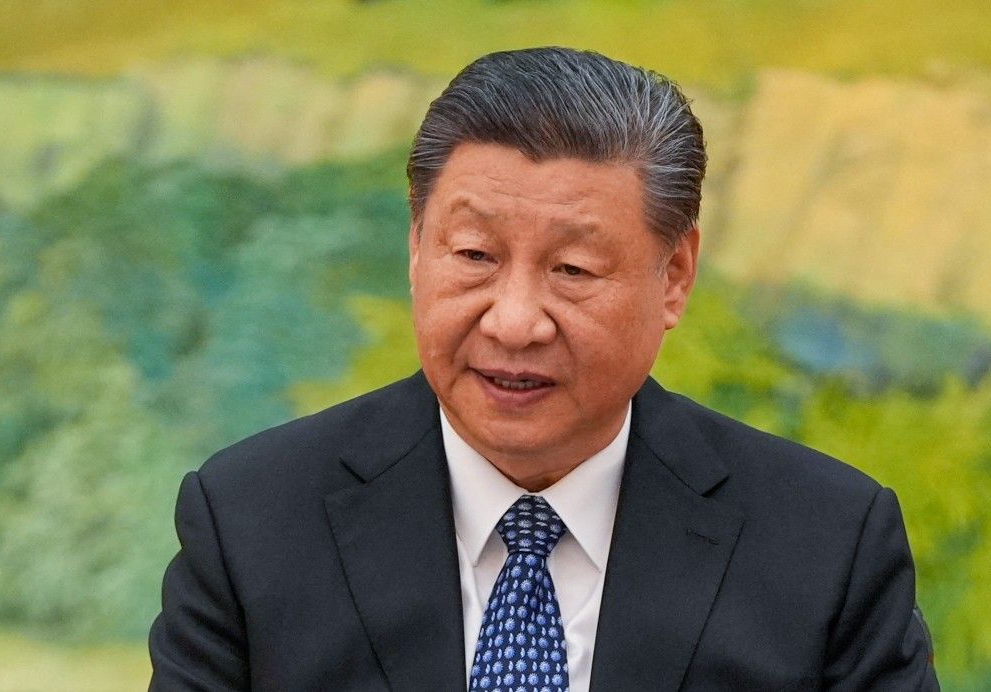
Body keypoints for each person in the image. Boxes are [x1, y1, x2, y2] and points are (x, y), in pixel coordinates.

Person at [148, 47, 939, 691]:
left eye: (572, 268)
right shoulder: (250, 522)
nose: (514, 321)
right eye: (474, 256)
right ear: (416, 248)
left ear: (673, 277)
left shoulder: (828, 543)